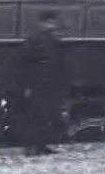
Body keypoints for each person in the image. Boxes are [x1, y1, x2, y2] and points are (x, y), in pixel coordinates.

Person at [16, 11, 67, 155]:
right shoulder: (35, 40)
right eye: (48, 23)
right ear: (42, 24)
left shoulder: (53, 40)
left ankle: (40, 145)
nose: (51, 25)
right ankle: (32, 147)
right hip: (38, 83)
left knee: (45, 115)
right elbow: (24, 64)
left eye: (52, 23)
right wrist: (27, 85)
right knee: (35, 116)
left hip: (49, 83)